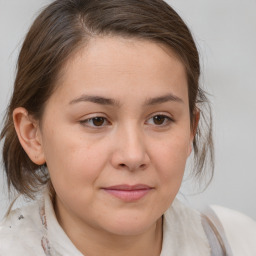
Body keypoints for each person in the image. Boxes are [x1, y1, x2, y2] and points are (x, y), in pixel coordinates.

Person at [0, 0, 255, 255]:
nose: (133, 156)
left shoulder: (237, 242)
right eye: (96, 120)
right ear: (33, 134)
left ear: (191, 129)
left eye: (159, 119)